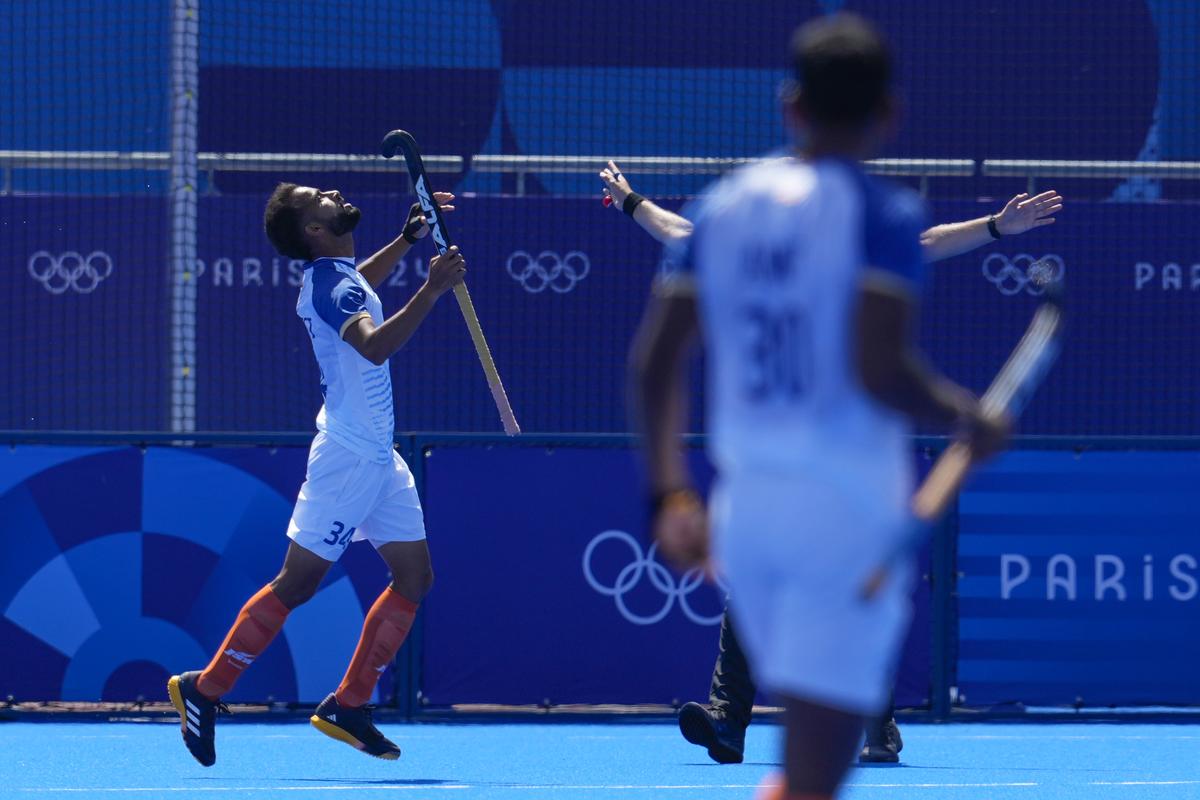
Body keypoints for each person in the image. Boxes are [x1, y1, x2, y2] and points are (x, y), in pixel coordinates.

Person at [630, 13, 1008, 800]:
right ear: (890, 114)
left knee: (807, 774)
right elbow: (881, 370)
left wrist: (669, 492)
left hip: (747, 520)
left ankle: (742, 721)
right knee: (816, 772)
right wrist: (965, 414)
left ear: (789, 104)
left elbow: (655, 361)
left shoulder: (725, 208)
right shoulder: (882, 215)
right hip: (847, 518)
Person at [603, 145, 1059, 770]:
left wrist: (995, 227)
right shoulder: (748, 231)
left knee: (850, 599)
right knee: (752, 585)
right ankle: (728, 725)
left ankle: (877, 726)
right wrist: (630, 202)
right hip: (776, 462)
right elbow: (677, 232)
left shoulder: (845, 233)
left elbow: (925, 246)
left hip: (850, 461)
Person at [167, 184, 466, 767]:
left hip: (379, 456)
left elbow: (362, 286)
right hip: (348, 459)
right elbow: (374, 346)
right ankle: (202, 691)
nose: (333, 193)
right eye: (319, 198)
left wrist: (407, 241)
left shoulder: (337, 275)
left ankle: (348, 705)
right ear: (313, 229)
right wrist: (433, 289)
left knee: (414, 576)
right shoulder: (332, 286)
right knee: (297, 584)